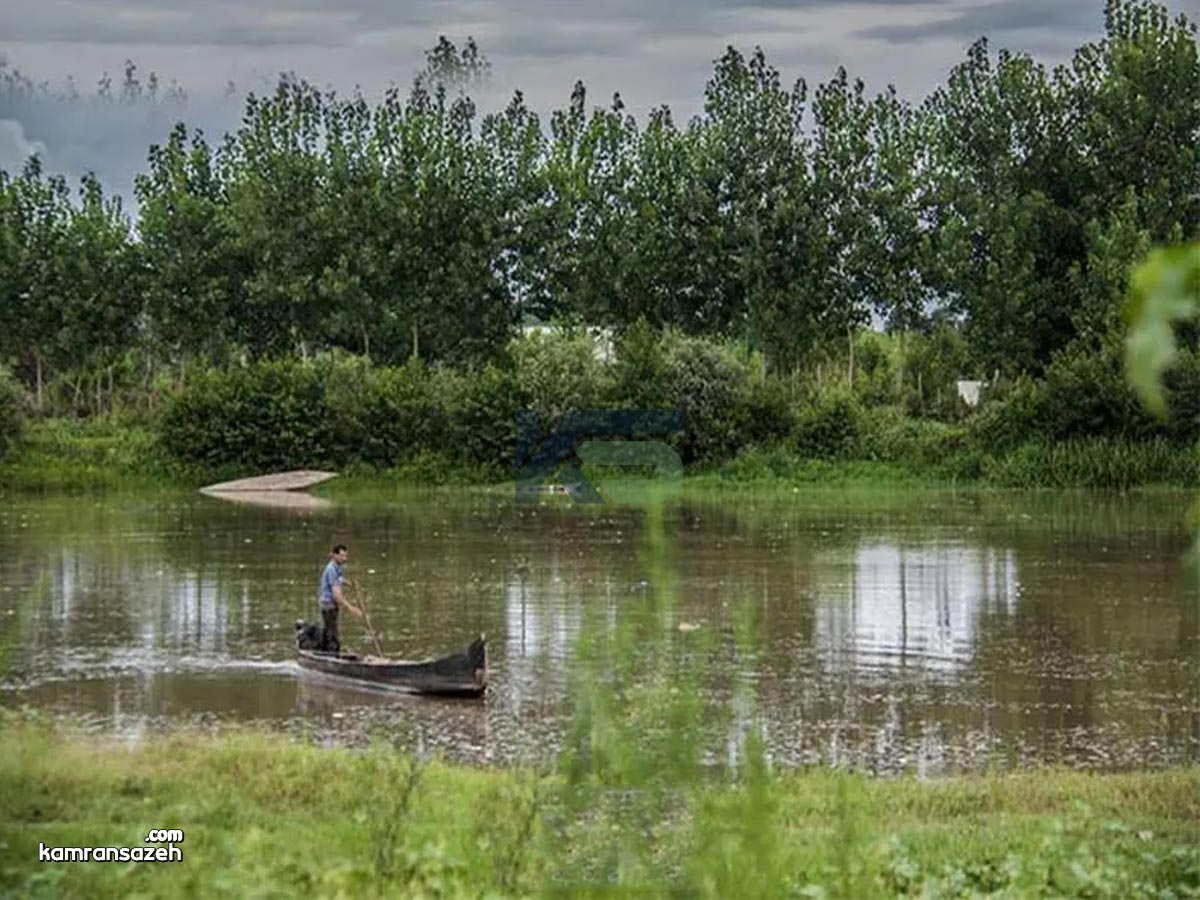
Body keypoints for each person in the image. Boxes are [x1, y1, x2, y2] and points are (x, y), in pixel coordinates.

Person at [318, 544, 363, 651]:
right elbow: (337, 595)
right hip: (329, 606)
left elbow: (339, 579)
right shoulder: (331, 569)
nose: (344, 559)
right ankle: (332, 659)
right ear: (334, 555)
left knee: (330, 633)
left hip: (330, 605)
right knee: (333, 637)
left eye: (345, 556)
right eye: (342, 556)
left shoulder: (336, 567)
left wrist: (349, 584)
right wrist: (352, 609)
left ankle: (327, 654)